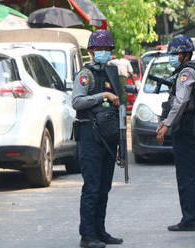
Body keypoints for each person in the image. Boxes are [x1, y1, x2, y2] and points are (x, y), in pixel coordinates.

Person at [72, 29, 123, 248]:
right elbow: (77, 102)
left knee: (104, 187)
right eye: (99, 49)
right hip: (90, 135)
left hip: (108, 136)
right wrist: (102, 96)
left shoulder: (111, 72)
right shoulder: (86, 74)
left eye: (107, 49)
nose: (104, 53)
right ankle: (87, 235)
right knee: (92, 187)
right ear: (91, 51)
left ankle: (100, 231)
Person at [156, 34, 195, 231]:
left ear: (185, 54)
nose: (172, 57)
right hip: (186, 128)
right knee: (186, 174)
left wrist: (167, 124)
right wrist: (165, 121)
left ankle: (190, 219)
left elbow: (182, 101)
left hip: (186, 129)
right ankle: (190, 217)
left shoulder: (187, 72)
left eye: (175, 53)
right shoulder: (185, 71)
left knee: (186, 176)